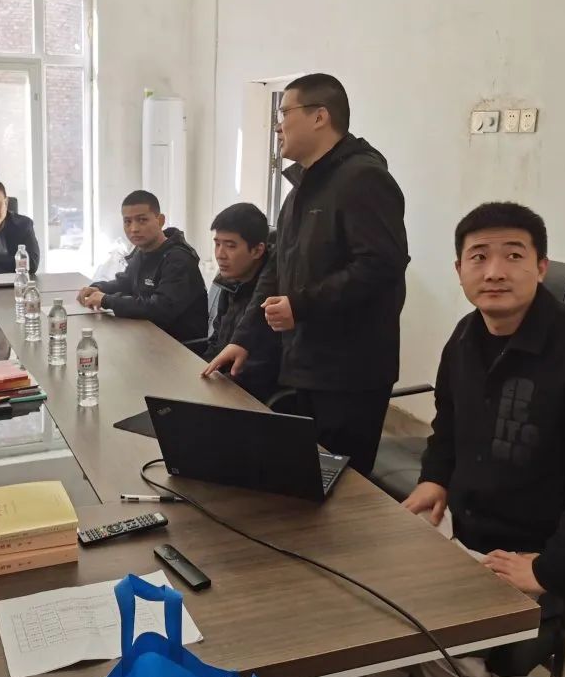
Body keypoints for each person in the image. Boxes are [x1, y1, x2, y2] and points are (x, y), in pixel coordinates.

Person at [402, 202, 565, 677]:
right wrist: (435, 478)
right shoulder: (467, 336)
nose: (494, 271)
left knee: (429, 628)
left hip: (548, 553)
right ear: (459, 269)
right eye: (479, 257)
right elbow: (449, 424)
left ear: (541, 267)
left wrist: (550, 569)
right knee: (372, 585)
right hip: (471, 530)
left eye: (513, 255)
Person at [204, 73, 409, 475]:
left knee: (341, 487)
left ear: (319, 117)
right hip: (304, 364)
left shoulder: (363, 179)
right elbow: (276, 271)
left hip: (349, 372)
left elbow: (381, 265)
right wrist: (244, 339)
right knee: (303, 480)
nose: (277, 126)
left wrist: (301, 305)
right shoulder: (300, 190)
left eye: (285, 113)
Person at [77, 190, 207, 342]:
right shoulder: (142, 250)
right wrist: (99, 288)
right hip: (145, 336)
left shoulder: (178, 259)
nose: (134, 229)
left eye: (142, 220)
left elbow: (160, 309)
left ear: (160, 220)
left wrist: (107, 300)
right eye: (127, 222)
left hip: (179, 346)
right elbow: (125, 283)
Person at [204, 203, 280, 401]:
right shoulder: (229, 283)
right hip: (219, 385)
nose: (220, 254)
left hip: (248, 396)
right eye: (217, 244)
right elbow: (216, 341)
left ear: (257, 250)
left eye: (230, 246)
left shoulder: (271, 298)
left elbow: (262, 368)